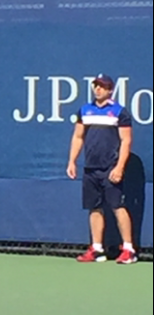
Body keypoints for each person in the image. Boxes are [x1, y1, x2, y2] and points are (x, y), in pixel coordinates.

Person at [67, 73, 137, 264]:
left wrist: (119, 167)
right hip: (90, 169)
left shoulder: (119, 112)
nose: (98, 89)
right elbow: (78, 137)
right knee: (94, 207)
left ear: (110, 90)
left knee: (117, 206)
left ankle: (129, 249)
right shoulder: (85, 110)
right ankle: (97, 249)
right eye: (95, 85)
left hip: (110, 168)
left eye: (102, 86)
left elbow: (126, 141)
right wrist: (72, 161)